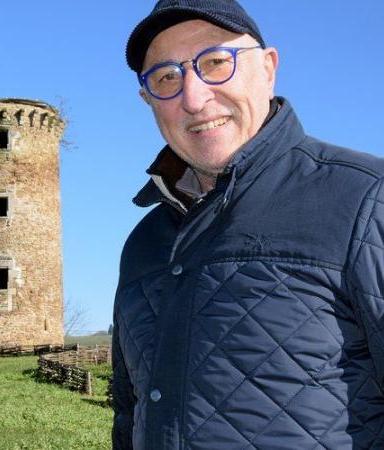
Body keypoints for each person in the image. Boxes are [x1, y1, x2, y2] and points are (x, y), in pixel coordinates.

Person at [112, 0, 384, 448]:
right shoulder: (142, 245)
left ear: (268, 68)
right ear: (148, 100)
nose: (194, 98)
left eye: (217, 62)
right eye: (167, 78)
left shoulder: (364, 199)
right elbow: (129, 416)